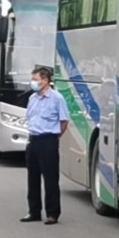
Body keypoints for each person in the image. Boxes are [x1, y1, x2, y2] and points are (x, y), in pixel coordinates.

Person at [22, 65, 70, 224]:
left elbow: (64, 121)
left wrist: (56, 137)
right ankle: (34, 211)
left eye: (35, 79)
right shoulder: (32, 98)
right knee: (32, 178)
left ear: (45, 80)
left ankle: (52, 213)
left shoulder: (57, 98)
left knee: (50, 179)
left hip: (48, 141)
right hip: (33, 140)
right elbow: (29, 118)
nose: (32, 82)